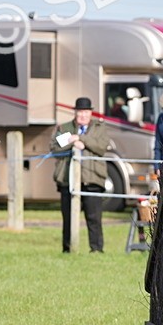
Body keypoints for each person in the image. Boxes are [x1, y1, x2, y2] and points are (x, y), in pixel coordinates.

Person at [51, 96, 111, 253]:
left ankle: (96, 249)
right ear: (75, 113)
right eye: (79, 112)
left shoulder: (100, 128)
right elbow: (54, 148)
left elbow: (101, 147)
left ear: (90, 113)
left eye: (85, 112)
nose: (82, 115)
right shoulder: (64, 128)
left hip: (93, 179)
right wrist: (72, 142)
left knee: (94, 218)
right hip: (67, 180)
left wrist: (81, 138)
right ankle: (68, 249)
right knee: (68, 218)